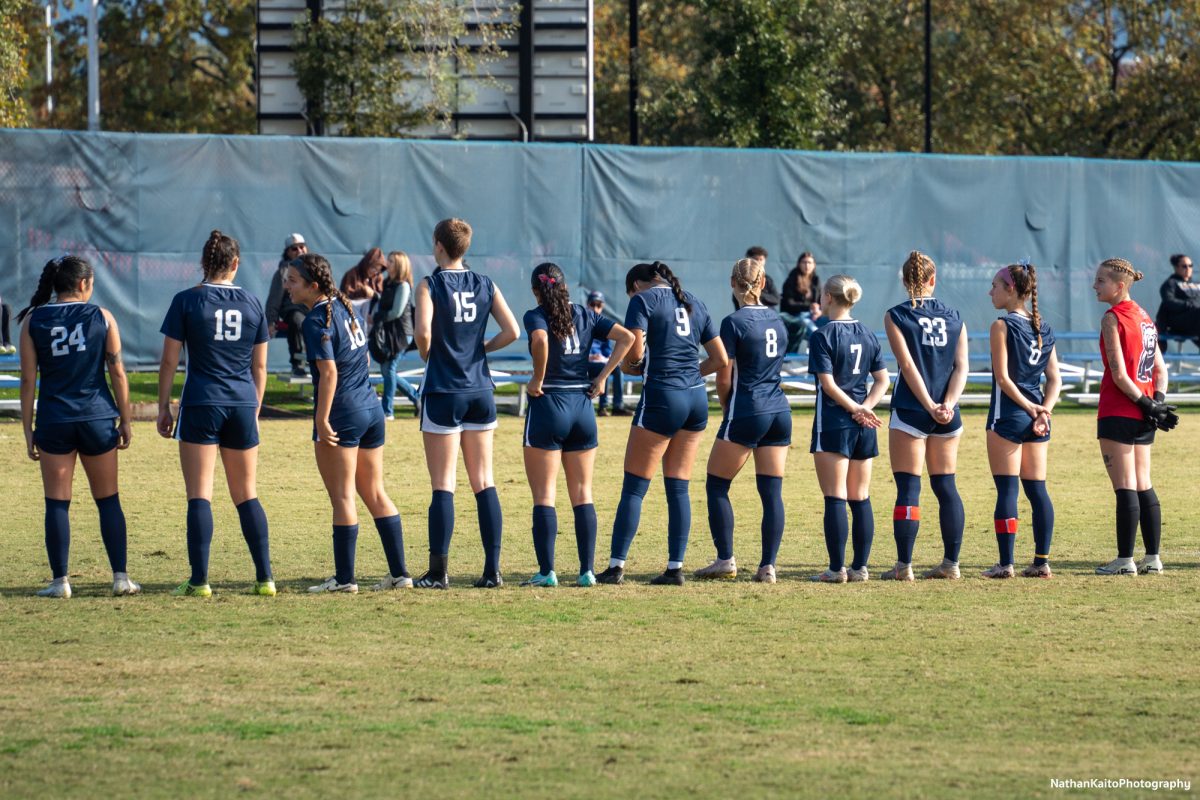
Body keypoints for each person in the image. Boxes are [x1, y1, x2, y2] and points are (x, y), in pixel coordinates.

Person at [157, 231, 276, 597]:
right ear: (235, 264)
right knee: (246, 494)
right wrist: (253, 408)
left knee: (200, 495)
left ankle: (200, 581)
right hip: (241, 403)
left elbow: (169, 359)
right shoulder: (254, 303)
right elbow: (260, 368)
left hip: (201, 403)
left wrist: (164, 405)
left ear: (203, 263)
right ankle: (265, 579)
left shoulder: (186, 301)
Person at [283, 253, 410, 593]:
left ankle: (344, 580)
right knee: (374, 491)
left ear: (313, 285)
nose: (286, 286)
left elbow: (329, 372)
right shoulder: (345, 307)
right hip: (370, 409)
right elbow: (362, 357)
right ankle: (400, 574)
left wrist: (322, 418)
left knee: (342, 498)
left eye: (292, 281)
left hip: (343, 413)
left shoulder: (314, 320)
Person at [599, 261, 728, 586]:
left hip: (662, 396)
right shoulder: (694, 301)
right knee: (679, 486)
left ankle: (615, 567)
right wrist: (688, 376)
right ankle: (675, 568)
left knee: (634, 486)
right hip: (695, 399)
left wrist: (631, 366)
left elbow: (636, 350)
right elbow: (720, 359)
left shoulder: (642, 300)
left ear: (637, 285)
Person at [18, 255, 138, 598]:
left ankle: (60, 582)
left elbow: (29, 380)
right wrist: (126, 419)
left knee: (57, 503)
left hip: (55, 420)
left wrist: (28, 430)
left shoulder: (32, 320)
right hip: (97, 418)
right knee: (108, 500)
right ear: (84, 284)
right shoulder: (102, 316)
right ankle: (120, 578)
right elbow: (117, 372)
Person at [413, 218, 520, 589]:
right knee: (484, 481)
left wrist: (433, 356)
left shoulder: (428, 284)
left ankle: (439, 573)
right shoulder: (485, 283)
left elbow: (423, 333)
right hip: (479, 390)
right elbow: (513, 331)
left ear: (439, 246)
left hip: (444, 389)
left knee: (444, 484)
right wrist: (480, 349)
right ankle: (493, 571)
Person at [521, 263, 634, 587]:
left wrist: (537, 379)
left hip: (550, 404)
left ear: (535, 291)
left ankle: (547, 572)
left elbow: (540, 341)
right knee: (583, 492)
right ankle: (586, 571)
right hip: (582, 408)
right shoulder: (586, 314)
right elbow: (626, 337)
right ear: (566, 285)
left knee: (544, 494)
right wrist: (602, 378)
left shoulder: (536, 315)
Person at [693, 258, 791, 584]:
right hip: (780, 411)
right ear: (762, 283)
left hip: (749, 408)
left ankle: (725, 560)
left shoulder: (733, 322)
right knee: (771, 492)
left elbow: (724, 376)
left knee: (717, 484)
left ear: (732, 283)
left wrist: (725, 405)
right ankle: (768, 567)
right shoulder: (778, 320)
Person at [882, 250, 969, 581]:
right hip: (949, 413)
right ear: (934, 280)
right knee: (946, 486)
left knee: (908, 489)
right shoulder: (955, 315)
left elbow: (906, 365)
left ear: (904, 281)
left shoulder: (896, 315)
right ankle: (951, 564)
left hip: (911, 410)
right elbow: (961, 366)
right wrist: (947, 402)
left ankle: (904, 566)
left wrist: (929, 405)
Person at [1093, 257, 1178, 576]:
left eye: (1101, 281)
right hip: (1144, 413)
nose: (1094, 285)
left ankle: (1125, 559)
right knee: (1144, 483)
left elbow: (1118, 373)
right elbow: (1160, 370)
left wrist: (1146, 403)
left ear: (1120, 286)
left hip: (1119, 410)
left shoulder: (1112, 317)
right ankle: (1153, 557)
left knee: (1125, 487)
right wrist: (1157, 403)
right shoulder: (1145, 317)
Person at [807, 275, 889, 583]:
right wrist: (866, 407)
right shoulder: (867, 333)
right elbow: (884, 380)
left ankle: (836, 569)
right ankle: (860, 567)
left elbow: (827, 385)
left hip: (835, 423)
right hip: (864, 425)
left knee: (835, 496)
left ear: (828, 297)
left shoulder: (822, 335)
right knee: (861, 497)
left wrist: (856, 408)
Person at [984, 262, 1062, 579]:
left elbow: (1003, 379)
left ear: (1011, 289)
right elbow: (1054, 380)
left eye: (995, 286)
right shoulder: (1043, 327)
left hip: (1011, 415)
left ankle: (1006, 564)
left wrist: (1031, 409)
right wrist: (1045, 409)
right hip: (1037, 418)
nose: (991, 292)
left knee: (1007, 491)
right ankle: (1041, 561)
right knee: (1038, 490)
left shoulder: (1001, 326)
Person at [372, 250, 420, 419]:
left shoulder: (403, 285)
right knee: (387, 371)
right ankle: (416, 396)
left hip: (401, 334)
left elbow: (396, 312)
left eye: (391, 261)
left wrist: (377, 317)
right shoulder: (387, 283)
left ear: (399, 265)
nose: (387, 264)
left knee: (389, 369)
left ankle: (387, 411)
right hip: (388, 333)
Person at [264, 233, 310, 377]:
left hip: (311, 309)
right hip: (293, 309)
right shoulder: (283, 272)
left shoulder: (314, 269)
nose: (299, 251)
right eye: (294, 249)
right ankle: (298, 364)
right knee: (298, 320)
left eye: (302, 247)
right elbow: (274, 299)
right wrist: (271, 321)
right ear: (288, 253)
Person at [586, 291, 629, 416]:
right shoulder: (581, 321)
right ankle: (602, 407)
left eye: (598, 305)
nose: (595, 308)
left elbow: (607, 350)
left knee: (617, 369)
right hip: (586, 363)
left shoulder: (603, 325)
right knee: (605, 369)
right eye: (592, 304)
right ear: (587, 305)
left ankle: (617, 406)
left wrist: (608, 356)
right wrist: (589, 356)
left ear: (602, 307)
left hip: (601, 363)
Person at [779, 252, 823, 353]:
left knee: (829, 321)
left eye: (810, 263)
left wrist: (820, 311)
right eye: (804, 262)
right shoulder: (791, 280)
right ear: (799, 264)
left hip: (814, 314)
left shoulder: (816, 280)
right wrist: (809, 307)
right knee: (807, 324)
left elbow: (820, 300)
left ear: (814, 265)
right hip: (794, 315)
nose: (807, 265)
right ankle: (821, 346)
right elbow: (789, 303)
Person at [1154, 253, 1200, 344]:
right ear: (1176, 267)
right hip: (1180, 320)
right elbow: (1169, 302)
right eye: (1184, 266)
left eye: (1190, 266)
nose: (1188, 269)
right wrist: (1189, 304)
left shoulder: (1197, 283)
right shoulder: (1171, 283)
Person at [340, 247, 386, 325]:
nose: (375, 272)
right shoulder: (352, 274)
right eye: (373, 268)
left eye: (378, 270)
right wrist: (362, 291)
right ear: (366, 264)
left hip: (370, 320)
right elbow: (345, 295)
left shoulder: (378, 277)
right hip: (352, 317)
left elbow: (382, 297)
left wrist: (373, 294)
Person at [730, 246, 780, 312]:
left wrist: (756, 293)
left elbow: (776, 299)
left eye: (761, 259)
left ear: (763, 283)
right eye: (756, 259)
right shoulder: (739, 279)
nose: (759, 262)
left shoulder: (768, 279)